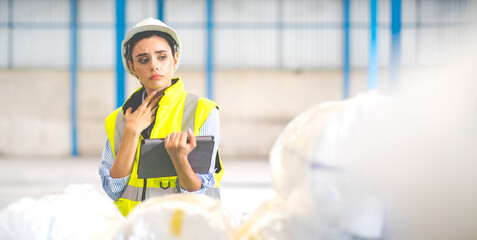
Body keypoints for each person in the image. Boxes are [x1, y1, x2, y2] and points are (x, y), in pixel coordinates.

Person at [98, 18, 223, 216]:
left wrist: (179, 159)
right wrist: (131, 132)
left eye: (162, 57)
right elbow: (113, 190)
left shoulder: (203, 111)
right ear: (132, 67)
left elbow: (201, 193)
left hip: (185, 230)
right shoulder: (117, 120)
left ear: (174, 60)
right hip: (135, 230)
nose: (154, 67)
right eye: (143, 60)